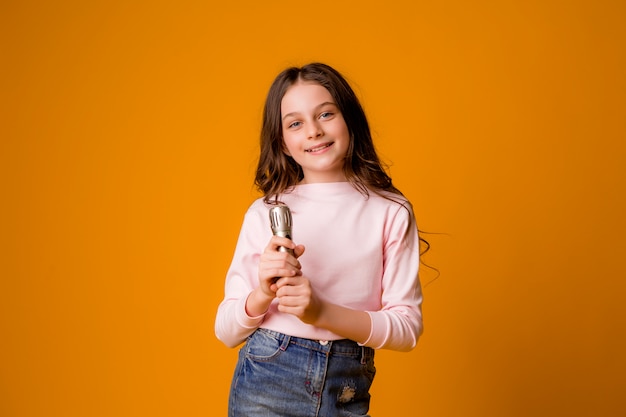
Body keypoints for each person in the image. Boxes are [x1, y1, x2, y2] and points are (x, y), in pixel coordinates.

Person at [215, 62, 425, 417]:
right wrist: (264, 293)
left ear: (349, 120)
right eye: (295, 123)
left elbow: (407, 328)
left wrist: (321, 312)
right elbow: (226, 331)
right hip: (268, 378)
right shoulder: (266, 212)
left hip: (346, 386)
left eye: (325, 114)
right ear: (282, 142)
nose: (313, 131)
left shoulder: (390, 211)